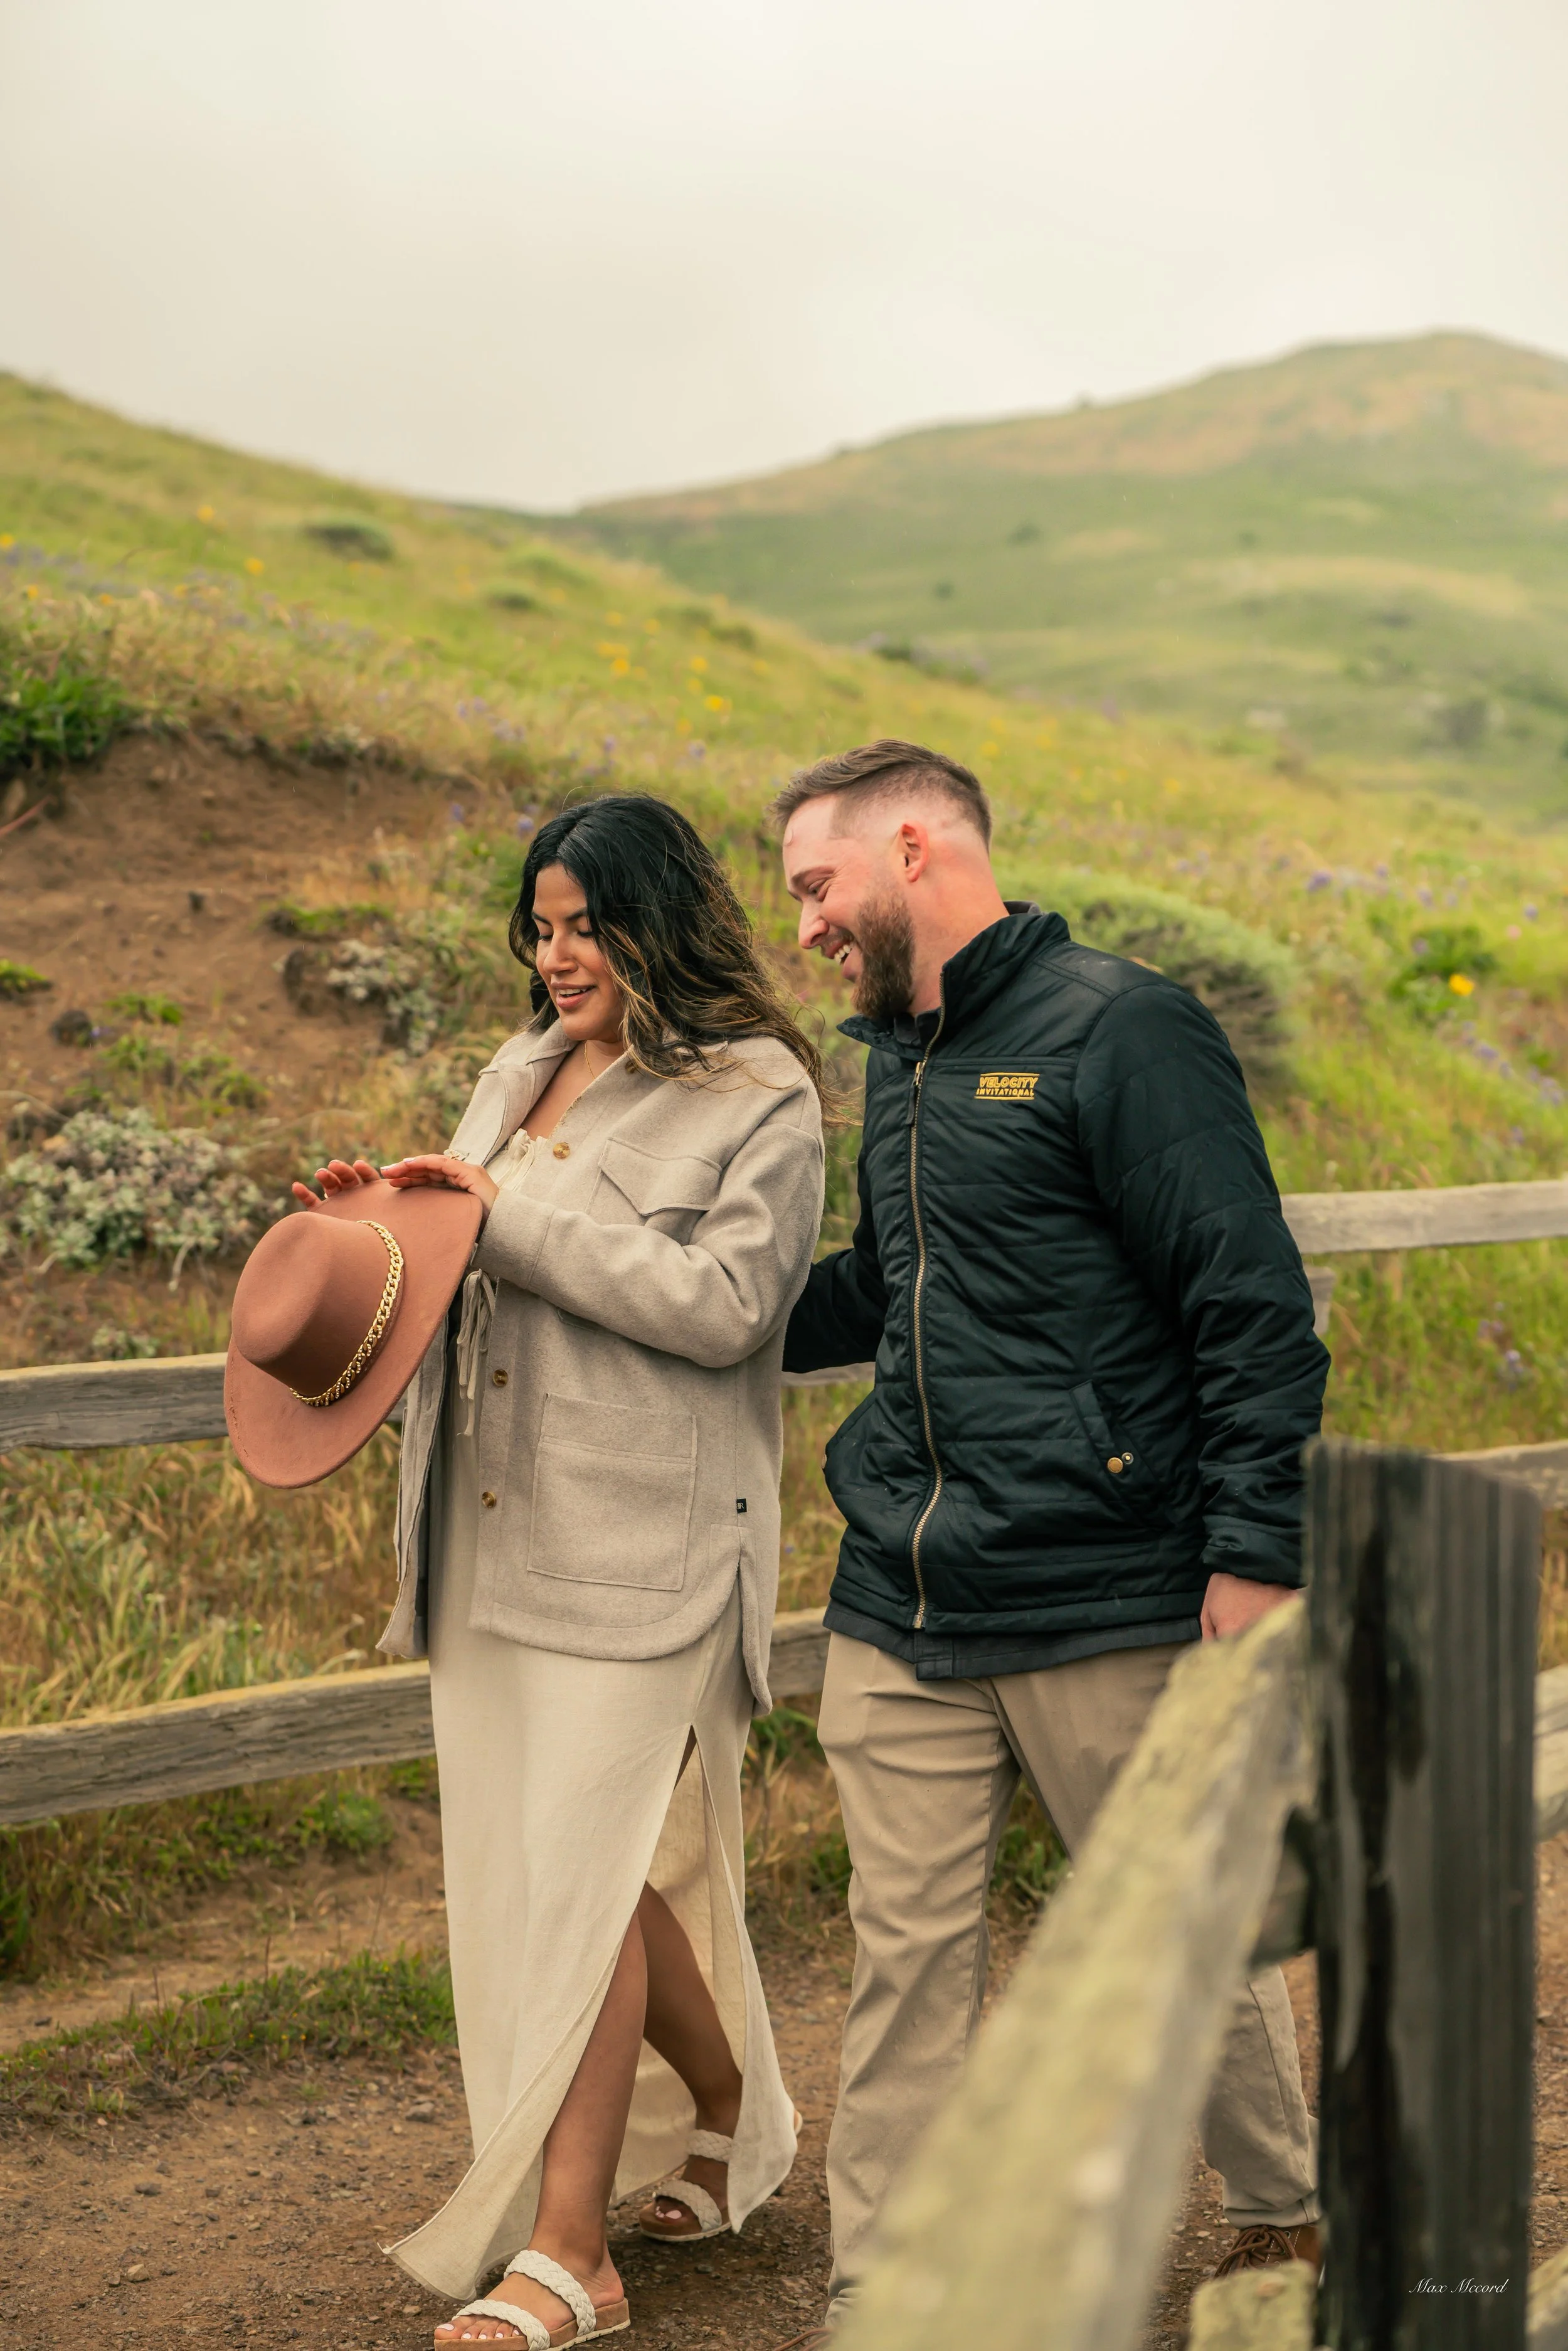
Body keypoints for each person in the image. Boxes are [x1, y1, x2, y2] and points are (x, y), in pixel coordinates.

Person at [770, 739, 1330, 2335]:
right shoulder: (898, 1054)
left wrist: (1256, 1548)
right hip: (902, 1586)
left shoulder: (1122, 1026)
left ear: (910, 845)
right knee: (904, 1963)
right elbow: (880, 1287)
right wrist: (686, 1305)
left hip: (1110, 1579)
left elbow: (1247, 1303)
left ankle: (1280, 2208)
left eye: (816, 884)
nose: (805, 924)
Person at [295, 795, 825, 2346]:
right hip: (488, 1528)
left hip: (643, 1545)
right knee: (553, 1866)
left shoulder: (761, 1092)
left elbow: (728, 1305)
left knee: (577, 1876)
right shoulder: (515, 1067)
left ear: (661, 918)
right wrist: (375, 1242)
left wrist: (504, 1220)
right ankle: (730, 2102)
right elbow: (463, 1265)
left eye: (586, 923)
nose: (557, 953)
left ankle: (569, 2246)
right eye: (540, 926)